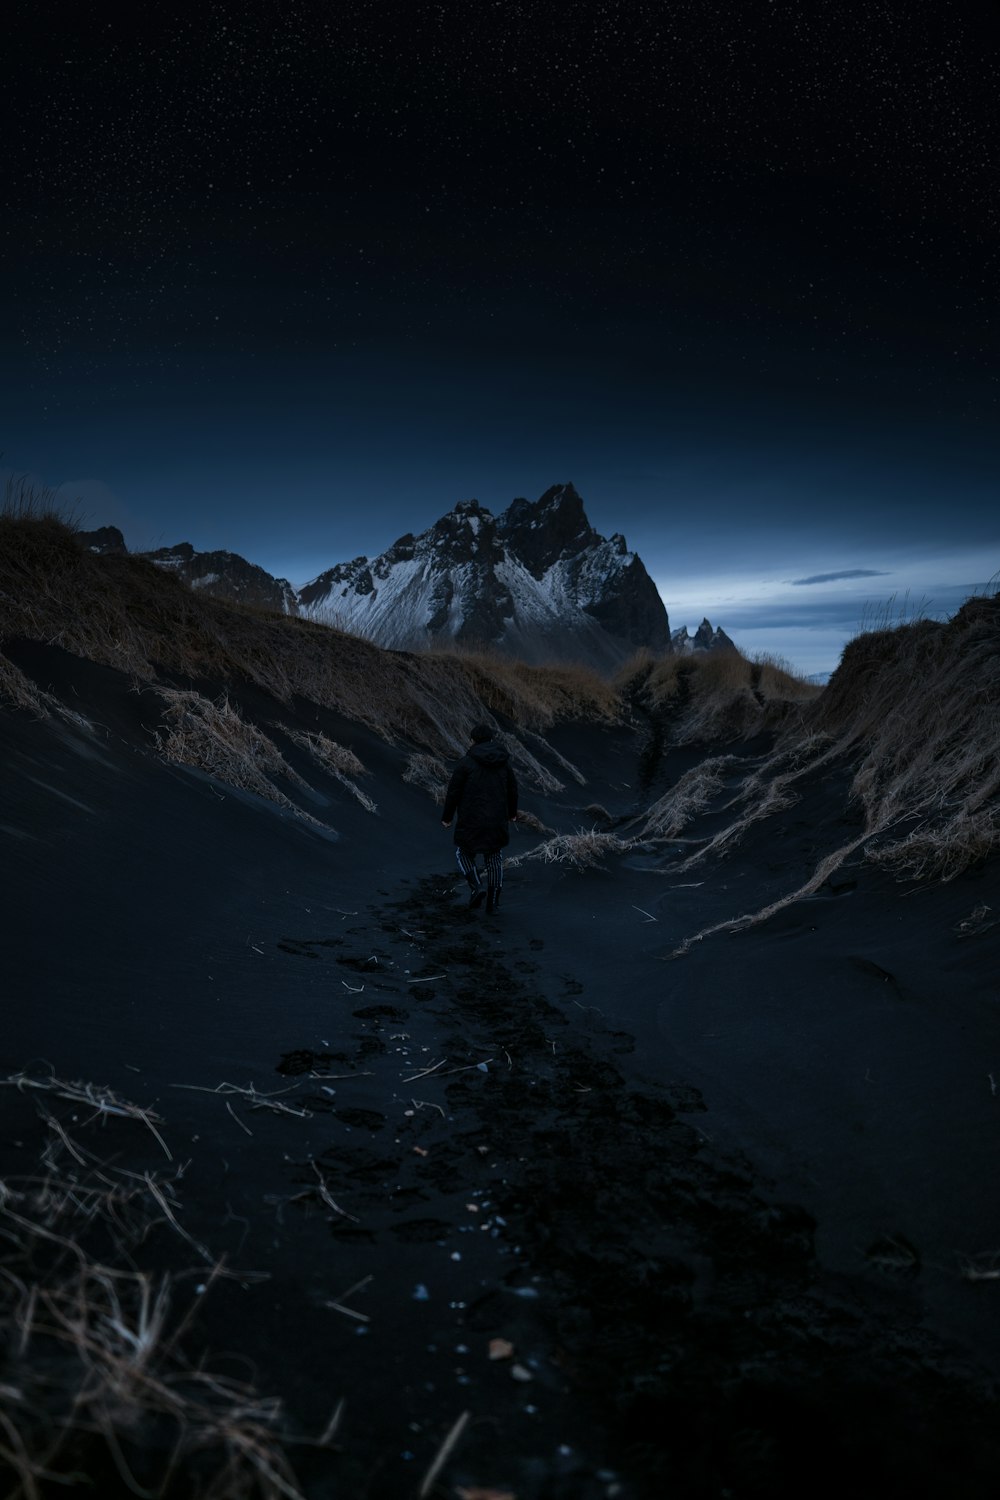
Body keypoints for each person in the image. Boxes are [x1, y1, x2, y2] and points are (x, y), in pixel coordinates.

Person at [441, 723, 519, 913]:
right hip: (496, 818)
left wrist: (447, 817)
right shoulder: (504, 763)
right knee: (494, 857)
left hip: (471, 818)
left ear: (472, 740)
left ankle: (476, 886)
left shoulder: (466, 763)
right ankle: (493, 903)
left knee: (464, 853)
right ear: (492, 740)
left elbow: (454, 792)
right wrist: (512, 813)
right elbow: (513, 789)